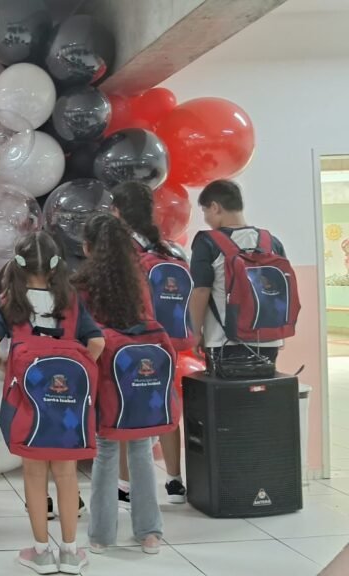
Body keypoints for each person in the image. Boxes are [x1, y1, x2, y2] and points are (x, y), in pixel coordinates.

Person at [0, 232, 104, 575]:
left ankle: (40, 552)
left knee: (34, 475)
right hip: (67, 407)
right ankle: (70, 552)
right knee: (66, 474)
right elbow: (97, 342)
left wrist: (5, 365)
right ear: (55, 265)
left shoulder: (10, 301)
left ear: (18, 265)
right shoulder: (70, 300)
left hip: (29, 402)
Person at [72, 213, 166, 555]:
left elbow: (79, 334)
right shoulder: (137, 279)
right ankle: (149, 533)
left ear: (87, 247)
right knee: (141, 449)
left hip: (103, 373)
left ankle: (101, 535)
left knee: (106, 450)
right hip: (138, 376)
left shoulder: (80, 284)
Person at [111, 182, 188, 505]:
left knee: (125, 406)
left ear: (118, 211)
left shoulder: (120, 249)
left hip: (132, 337)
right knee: (167, 402)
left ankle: (125, 485)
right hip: (167, 340)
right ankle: (174, 480)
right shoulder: (168, 248)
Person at [190, 179, 288, 368]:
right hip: (268, 339)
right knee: (262, 386)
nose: (206, 218)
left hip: (223, 341)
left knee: (225, 387)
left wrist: (195, 333)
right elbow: (281, 291)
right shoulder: (271, 242)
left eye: (205, 211)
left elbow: (201, 290)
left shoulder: (207, 242)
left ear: (215, 207)